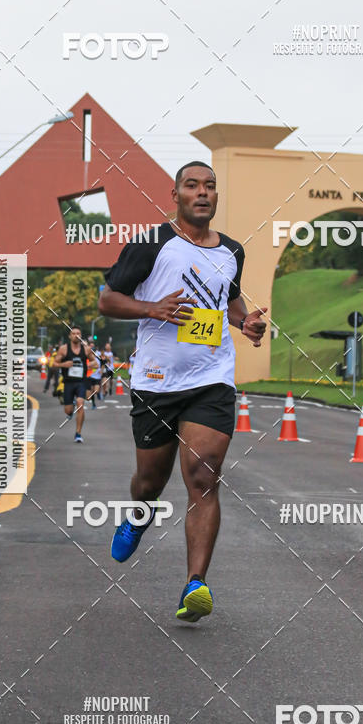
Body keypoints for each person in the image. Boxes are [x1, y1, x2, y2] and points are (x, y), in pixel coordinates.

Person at [99, 161, 266, 622]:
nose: (203, 193)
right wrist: (151, 307)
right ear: (175, 194)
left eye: (210, 186)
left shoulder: (232, 250)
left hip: (211, 379)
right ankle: (138, 512)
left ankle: (196, 585)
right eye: (192, 185)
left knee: (202, 477)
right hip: (156, 382)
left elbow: (229, 300)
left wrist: (245, 322)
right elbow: (107, 298)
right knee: (151, 482)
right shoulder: (151, 244)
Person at [54, 326, 96, 443]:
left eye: (78, 333)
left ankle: (78, 433)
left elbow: (95, 362)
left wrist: (89, 365)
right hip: (68, 382)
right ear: (70, 336)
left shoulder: (86, 349)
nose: (76, 335)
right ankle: (70, 410)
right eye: (73, 333)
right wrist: (64, 364)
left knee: (80, 403)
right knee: (68, 410)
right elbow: (54, 363)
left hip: (81, 382)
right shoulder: (64, 349)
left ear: (80, 336)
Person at [85, 339, 103, 409]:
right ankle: (93, 404)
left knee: (96, 391)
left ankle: (98, 394)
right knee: (90, 394)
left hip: (97, 377)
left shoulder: (98, 359)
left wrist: (101, 370)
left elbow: (102, 364)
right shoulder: (88, 359)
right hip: (90, 377)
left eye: (94, 352)